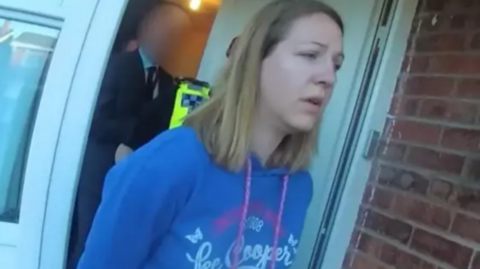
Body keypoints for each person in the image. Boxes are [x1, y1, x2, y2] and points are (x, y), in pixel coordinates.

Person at [78, 0, 344, 268]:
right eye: (311, 55)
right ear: (256, 59)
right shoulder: (170, 163)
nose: (329, 77)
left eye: (336, 65)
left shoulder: (298, 187)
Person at [67, 1, 190, 268]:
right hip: (99, 168)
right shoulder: (116, 65)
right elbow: (95, 119)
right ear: (148, 28)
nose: (169, 39)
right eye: (165, 30)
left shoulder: (169, 84)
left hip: (136, 177)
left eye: (176, 35)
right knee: (90, 240)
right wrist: (127, 139)